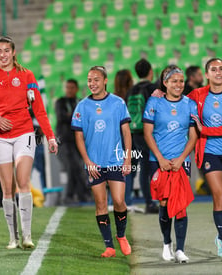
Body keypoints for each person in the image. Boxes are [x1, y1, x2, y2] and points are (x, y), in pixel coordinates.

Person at [0, 36, 58, 249]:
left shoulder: (26, 75)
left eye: (6, 50)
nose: (2, 54)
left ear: (14, 52)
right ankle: (12, 237)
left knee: (22, 181)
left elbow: (39, 110)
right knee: (7, 188)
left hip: (24, 133)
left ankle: (27, 235)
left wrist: (50, 136)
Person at [72, 66, 132, 258]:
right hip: (95, 164)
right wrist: (88, 161)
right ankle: (109, 246)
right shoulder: (82, 106)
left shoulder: (118, 103)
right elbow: (79, 136)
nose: (92, 83)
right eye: (89, 80)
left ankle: (121, 235)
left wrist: (128, 158)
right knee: (100, 204)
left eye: (96, 80)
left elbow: (126, 132)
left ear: (105, 80)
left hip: (115, 160)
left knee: (120, 201)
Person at [188, 58, 222, 261]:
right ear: (207, 74)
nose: (218, 72)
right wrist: (160, 93)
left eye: (221, 69)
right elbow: (176, 100)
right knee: (219, 196)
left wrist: (206, 130)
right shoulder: (196, 95)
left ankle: (221, 236)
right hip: (208, 152)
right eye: (213, 69)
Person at [143, 65, 198, 263]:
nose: (178, 84)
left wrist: (182, 158)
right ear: (165, 83)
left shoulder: (190, 104)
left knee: (181, 204)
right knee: (164, 203)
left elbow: (193, 136)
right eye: (174, 81)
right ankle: (167, 243)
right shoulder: (154, 103)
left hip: (181, 161)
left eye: (181, 81)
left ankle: (180, 250)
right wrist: (160, 158)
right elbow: (147, 133)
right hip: (158, 161)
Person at [125, 58, 159, 214]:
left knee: (144, 168)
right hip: (149, 131)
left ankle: (149, 202)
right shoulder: (152, 88)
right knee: (153, 167)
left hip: (133, 133)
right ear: (150, 71)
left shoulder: (131, 90)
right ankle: (155, 201)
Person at [55, 79, 89, 203]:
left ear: (76, 89)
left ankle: (79, 194)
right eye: (67, 87)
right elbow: (62, 117)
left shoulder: (80, 102)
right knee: (71, 167)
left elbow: (84, 118)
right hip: (64, 141)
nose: (69, 90)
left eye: (72, 88)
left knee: (78, 167)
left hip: (78, 141)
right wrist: (74, 116)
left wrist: (72, 115)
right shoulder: (61, 102)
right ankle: (71, 195)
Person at [114, 69, 142, 212]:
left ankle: (116, 200)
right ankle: (127, 201)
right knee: (129, 169)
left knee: (118, 169)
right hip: (131, 134)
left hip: (116, 137)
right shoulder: (133, 95)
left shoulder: (113, 98)